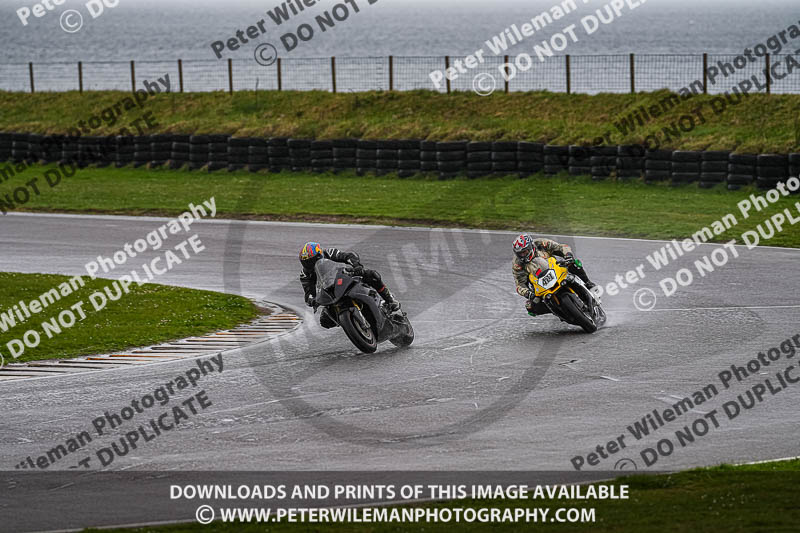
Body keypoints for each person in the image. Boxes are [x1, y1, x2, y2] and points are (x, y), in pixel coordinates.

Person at [299, 242, 402, 328]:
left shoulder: (329, 253)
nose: (310, 264)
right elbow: (308, 293)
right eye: (307, 262)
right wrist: (312, 300)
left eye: (312, 260)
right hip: (329, 292)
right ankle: (350, 322)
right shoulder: (305, 275)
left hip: (344, 277)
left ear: (319, 255)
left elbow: (348, 256)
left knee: (372, 275)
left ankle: (390, 299)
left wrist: (356, 266)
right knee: (325, 321)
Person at [511, 234, 597, 317]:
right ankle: (557, 310)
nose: (523, 255)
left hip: (555, 270)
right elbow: (519, 285)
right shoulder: (517, 264)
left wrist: (568, 255)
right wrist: (528, 293)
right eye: (520, 254)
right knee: (530, 307)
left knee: (574, 264)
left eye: (524, 252)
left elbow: (561, 247)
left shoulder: (541, 244)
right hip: (539, 285)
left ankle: (588, 283)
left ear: (531, 246)